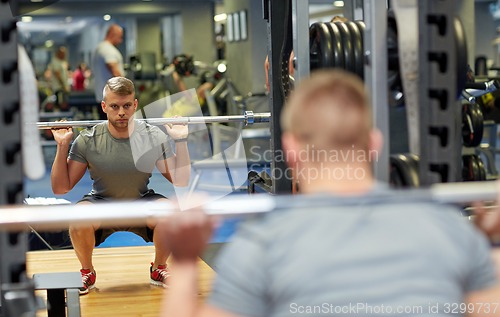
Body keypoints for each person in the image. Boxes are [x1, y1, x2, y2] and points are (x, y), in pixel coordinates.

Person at [157, 69, 500, 317]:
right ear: (375, 144)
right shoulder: (448, 228)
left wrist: (186, 261)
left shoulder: (262, 248)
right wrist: (492, 253)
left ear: (290, 150)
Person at [51, 76, 191, 295]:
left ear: (135, 104)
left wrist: (181, 140)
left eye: (127, 106)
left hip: (141, 201)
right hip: (101, 203)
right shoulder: (88, 140)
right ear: (104, 106)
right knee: (78, 216)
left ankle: (159, 268)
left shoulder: (152, 136)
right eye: (114, 106)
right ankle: (87, 272)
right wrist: (62, 146)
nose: (121, 112)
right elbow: (61, 188)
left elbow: (181, 180)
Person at [92, 24, 125, 103]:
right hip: (111, 100)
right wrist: (126, 91)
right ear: (113, 35)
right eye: (120, 37)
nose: (121, 41)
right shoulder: (107, 49)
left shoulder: (100, 48)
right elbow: (114, 70)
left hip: (104, 98)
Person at [49, 46, 71, 110]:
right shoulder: (55, 61)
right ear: (59, 53)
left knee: (64, 105)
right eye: (63, 54)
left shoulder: (62, 61)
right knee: (61, 106)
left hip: (63, 88)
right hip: (59, 88)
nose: (64, 55)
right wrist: (64, 85)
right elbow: (58, 75)